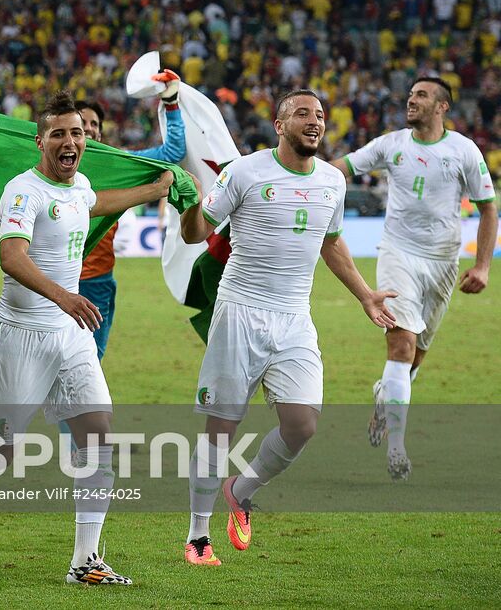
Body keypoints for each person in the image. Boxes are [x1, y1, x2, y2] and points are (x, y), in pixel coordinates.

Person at [0, 91, 174, 587]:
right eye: (59, 133)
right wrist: (64, 296)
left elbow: (95, 203)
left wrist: (152, 190)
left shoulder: (80, 188)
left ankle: (85, 560)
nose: (70, 141)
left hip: (69, 334)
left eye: (77, 133)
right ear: (41, 142)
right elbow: (12, 256)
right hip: (21, 334)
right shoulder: (21, 191)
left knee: (99, 434)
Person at [177, 89, 396, 567]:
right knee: (221, 429)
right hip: (239, 312)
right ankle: (197, 534)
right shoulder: (245, 173)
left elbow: (332, 242)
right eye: (302, 114)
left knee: (301, 424)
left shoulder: (332, 182)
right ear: (280, 125)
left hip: (295, 316)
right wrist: (190, 203)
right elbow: (196, 234)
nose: (313, 121)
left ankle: (241, 489)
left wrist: (365, 294)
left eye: (319, 115)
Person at [330, 77, 495, 480]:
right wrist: (299, 174)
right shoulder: (391, 144)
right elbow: (344, 167)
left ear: (442, 107)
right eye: (410, 95)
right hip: (396, 253)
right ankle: (397, 448)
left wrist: (483, 266)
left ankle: (384, 397)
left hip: (442, 263)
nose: (411, 100)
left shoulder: (463, 151)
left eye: (421, 95)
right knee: (401, 346)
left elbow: (488, 210)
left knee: (414, 358)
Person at [75, 70, 186, 359]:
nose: (88, 128)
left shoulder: (119, 165)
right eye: (81, 123)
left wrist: (171, 101)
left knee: (89, 363)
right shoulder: (45, 165)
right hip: (50, 279)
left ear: (100, 132)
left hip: (95, 281)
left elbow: (174, 150)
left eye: (94, 124)